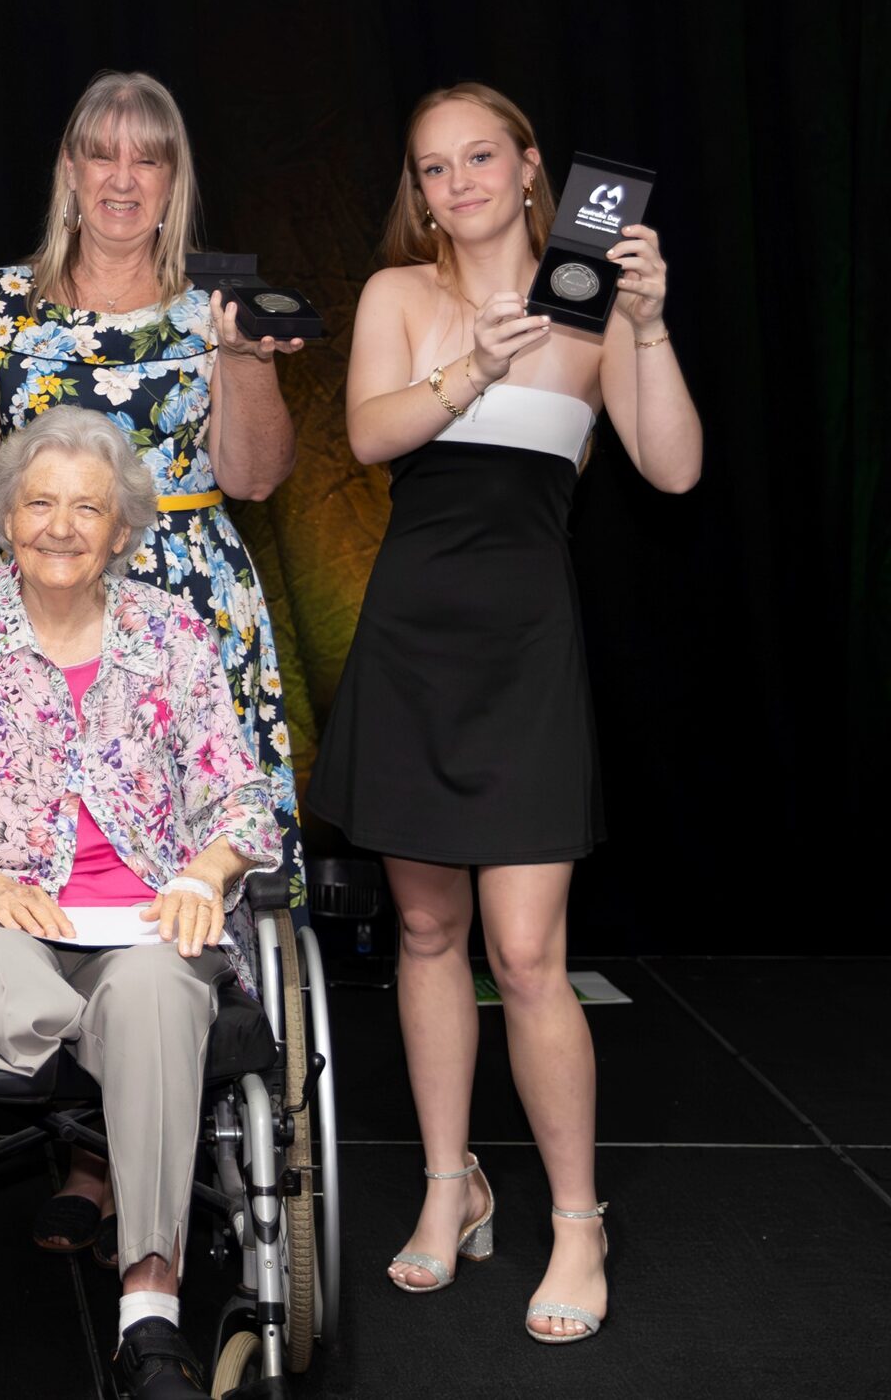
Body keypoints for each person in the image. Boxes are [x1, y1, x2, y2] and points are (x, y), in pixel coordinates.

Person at [307, 81, 699, 1345]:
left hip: (526, 652)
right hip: (413, 643)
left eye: (480, 157)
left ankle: (578, 1222)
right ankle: (449, 1186)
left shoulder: (593, 310)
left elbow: (673, 467)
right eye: (433, 167)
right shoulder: (396, 295)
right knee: (426, 934)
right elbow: (369, 436)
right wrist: (471, 362)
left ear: (531, 168)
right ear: (417, 191)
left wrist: (646, 323)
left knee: (526, 956)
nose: (458, 182)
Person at [0, 71, 306, 1258]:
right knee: (40, 848)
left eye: (149, 157)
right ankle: (94, 1141)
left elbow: (255, 477)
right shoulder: (2, 302)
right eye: (102, 153)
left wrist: (242, 358)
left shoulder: (213, 304)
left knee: (172, 859)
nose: (123, 178)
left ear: (174, 178)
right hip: (27, 604)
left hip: (182, 607)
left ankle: (134, 1146)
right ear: (70, 171)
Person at [0, 406, 285, 1400]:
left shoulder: (170, 634)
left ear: (121, 530)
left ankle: (149, 1313)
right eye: (39, 502)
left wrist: (201, 874)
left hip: (143, 923)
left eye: (86, 508)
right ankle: (129, 1063)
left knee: (153, 990)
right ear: (5, 517)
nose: (59, 525)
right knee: (34, 990)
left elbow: (243, 800)